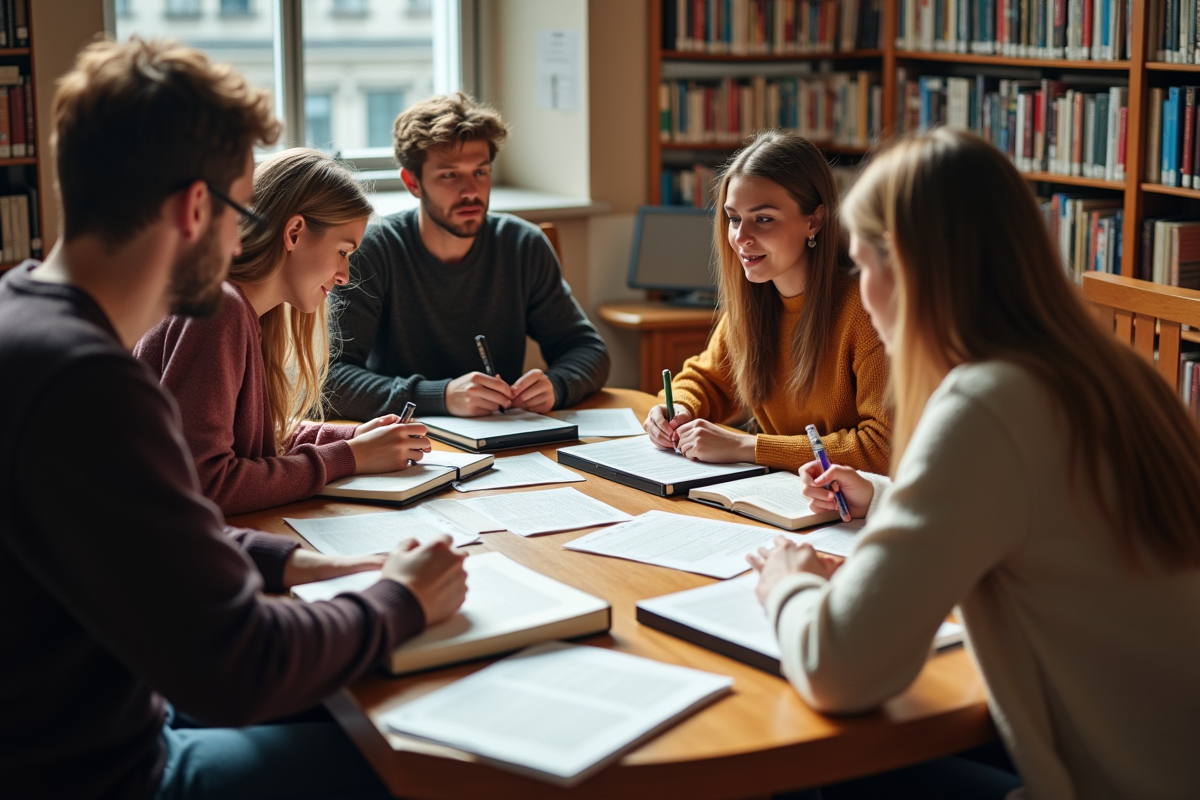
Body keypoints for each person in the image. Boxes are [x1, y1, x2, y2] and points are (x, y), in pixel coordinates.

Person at [0, 38, 467, 800]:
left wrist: (295, 565)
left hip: (118, 711)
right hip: (111, 773)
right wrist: (400, 600)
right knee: (433, 761)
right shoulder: (83, 383)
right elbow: (240, 668)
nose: (241, 237)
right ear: (195, 209)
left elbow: (157, 536)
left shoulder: (27, 319)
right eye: (242, 210)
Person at [750, 129, 1200, 799]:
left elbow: (837, 670)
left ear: (909, 270)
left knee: (802, 767)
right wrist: (883, 495)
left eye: (863, 268)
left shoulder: (986, 403)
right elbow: (1039, 515)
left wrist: (787, 584)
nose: (862, 297)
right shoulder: (1110, 373)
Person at [135, 148, 431, 515]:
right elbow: (205, 483)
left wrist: (354, 438)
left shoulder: (246, 311)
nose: (344, 276)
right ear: (294, 233)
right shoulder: (218, 310)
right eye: (343, 252)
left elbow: (255, 438)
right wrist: (349, 457)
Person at [326, 92, 610, 420]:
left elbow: (588, 350)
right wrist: (441, 396)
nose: (471, 191)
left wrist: (557, 385)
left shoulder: (522, 245)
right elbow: (330, 379)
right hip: (406, 437)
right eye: (450, 175)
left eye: (480, 172)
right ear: (413, 182)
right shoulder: (373, 251)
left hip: (504, 436)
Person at [644, 130, 891, 475]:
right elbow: (708, 379)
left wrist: (747, 447)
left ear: (814, 221)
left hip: (848, 500)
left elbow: (883, 448)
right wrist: (679, 408)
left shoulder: (866, 310)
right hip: (781, 488)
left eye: (763, 219)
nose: (741, 237)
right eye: (733, 218)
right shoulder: (754, 301)